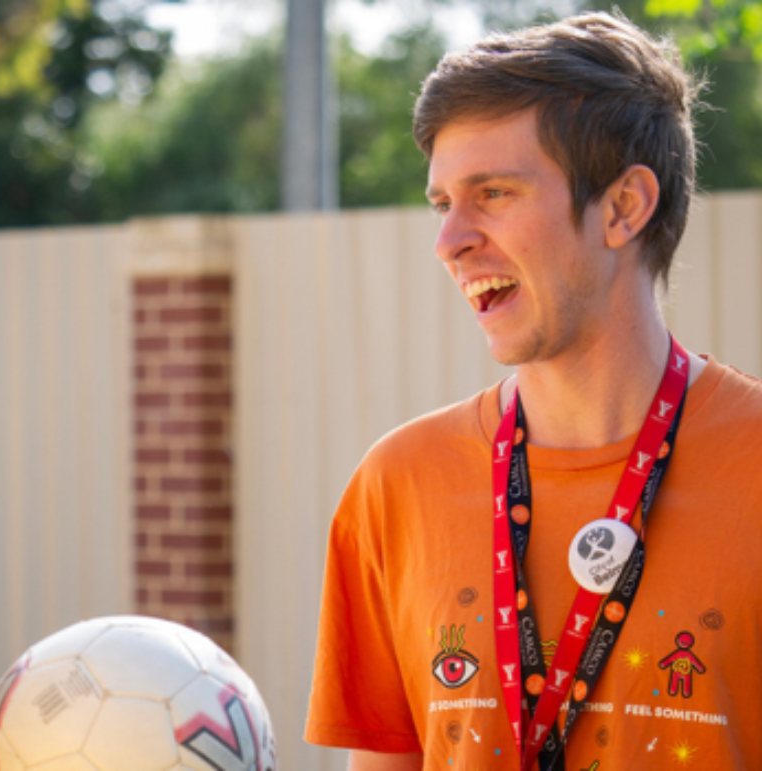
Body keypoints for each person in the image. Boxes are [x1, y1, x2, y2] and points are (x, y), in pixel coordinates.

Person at [305, 12, 762, 770]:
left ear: (623, 208)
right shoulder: (395, 487)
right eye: (443, 203)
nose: (450, 242)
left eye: (493, 192)